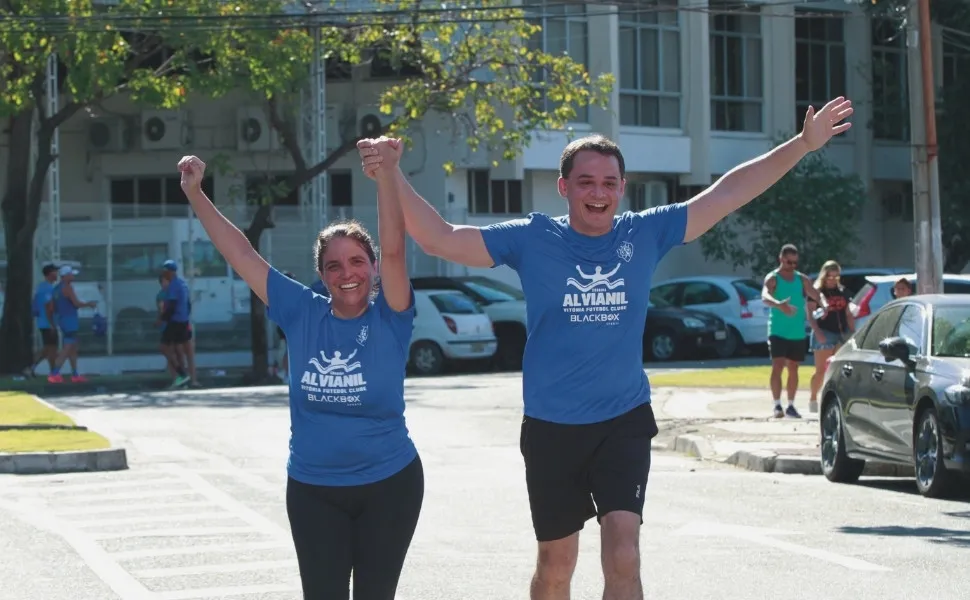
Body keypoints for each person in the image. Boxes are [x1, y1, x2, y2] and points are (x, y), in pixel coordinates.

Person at [358, 97, 853, 599]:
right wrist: (392, 175)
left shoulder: (645, 233)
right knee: (556, 566)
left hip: (622, 419)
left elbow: (728, 193)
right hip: (552, 426)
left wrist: (803, 145)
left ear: (622, 188)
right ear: (564, 187)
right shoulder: (533, 238)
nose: (599, 193)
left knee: (623, 553)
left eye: (609, 183)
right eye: (587, 182)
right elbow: (440, 239)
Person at [177, 154, 424, 600]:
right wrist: (196, 194)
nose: (347, 273)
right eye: (334, 266)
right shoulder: (301, 311)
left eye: (356, 262)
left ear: (372, 268)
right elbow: (241, 253)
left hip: (390, 485)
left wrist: (386, 175)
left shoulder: (393, 317)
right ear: (322, 275)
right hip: (314, 490)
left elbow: (393, 248)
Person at [761, 244, 826, 419]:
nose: (792, 266)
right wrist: (779, 305)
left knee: (794, 368)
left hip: (796, 331)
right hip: (778, 330)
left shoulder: (801, 279)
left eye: (795, 263)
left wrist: (825, 305)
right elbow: (765, 296)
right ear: (781, 259)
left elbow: (816, 294)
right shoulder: (773, 277)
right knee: (778, 365)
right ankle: (777, 405)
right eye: (789, 262)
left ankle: (790, 405)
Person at [807, 260, 855, 413]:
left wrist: (852, 333)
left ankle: (833, 400)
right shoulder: (817, 292)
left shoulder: (842, 291)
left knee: (838, 370)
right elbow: (810, 314)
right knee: (821, 370)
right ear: (824, 276)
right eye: (829, 276)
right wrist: (818, 332)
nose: (832, 279)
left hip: (841, 332)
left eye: (836, 276)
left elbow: (848, 313)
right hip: (824, 332)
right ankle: (813, 398)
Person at [47, 265, 97, 384]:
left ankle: (75, 374)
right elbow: (76, 303)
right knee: (67, 347)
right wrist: (89, 304)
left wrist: (53, 322)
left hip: (62, 320)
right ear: (66, 276)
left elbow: (52, 308)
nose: (73, 276)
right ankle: (54, 373)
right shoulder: (68, 288)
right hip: (70, 321)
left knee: (73, 348)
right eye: (71, 274)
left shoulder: (56, 289)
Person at [159, 261, 193, 389]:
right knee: (178, 351)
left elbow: (172, 305)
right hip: (183, 321)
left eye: (165, 271)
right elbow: (188, 304)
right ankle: (182, 379)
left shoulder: (173, 285)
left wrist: (163, 319)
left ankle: (182, 374)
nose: (163, 273)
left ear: (170, 271)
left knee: (164, 348)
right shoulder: (183, 284)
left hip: (175, 322)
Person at [29, 263, 59, 377]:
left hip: (43, 322)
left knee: (49, 348)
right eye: (54, 272)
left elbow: (35, 307)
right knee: (51, 348)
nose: (56, 274)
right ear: (49, 274)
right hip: (48, 322)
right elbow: (48, 307)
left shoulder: (41, 287)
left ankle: (33, 368)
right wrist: (52, 323)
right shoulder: (47, 288)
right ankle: (53, 372)